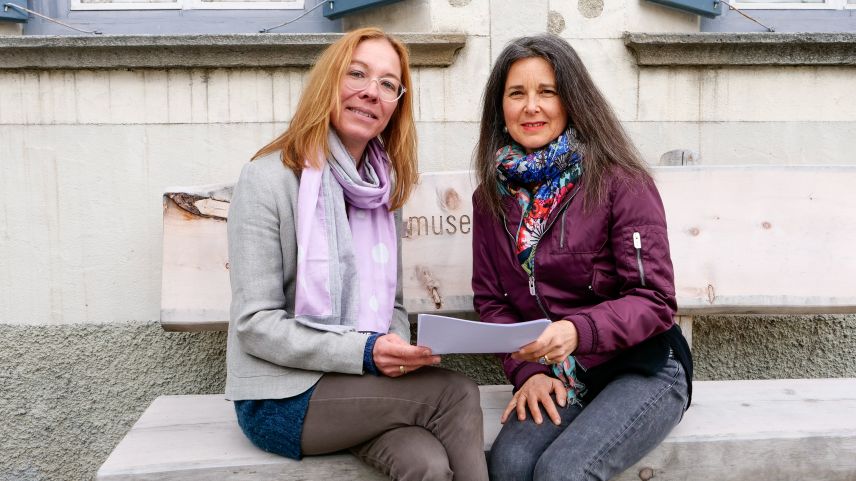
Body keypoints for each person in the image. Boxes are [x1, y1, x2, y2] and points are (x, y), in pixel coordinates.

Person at [225, 27, 489, 481]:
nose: (371, 92)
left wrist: (397, 351)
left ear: (396, 106)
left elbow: (395, 307)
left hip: (360, 389)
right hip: (282, 397)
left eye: (388, 84)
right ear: (330, 82)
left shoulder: (383, 191)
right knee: (457, 393)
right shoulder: (267, 180)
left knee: (425, 463)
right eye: (358, 74)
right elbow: (255, 324)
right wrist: (366, 352)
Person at [471, 34, 693, 481]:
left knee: (563, 472)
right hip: (558, 375)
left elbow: (653, 299)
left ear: (572, 101)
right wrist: (528, 371)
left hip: (642, 364)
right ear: (501, 109)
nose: (531, 106)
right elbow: (493, 303)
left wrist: (578, 330)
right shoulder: (489, 200)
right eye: (517, 93)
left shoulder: (620, 183)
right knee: (509, 465)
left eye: (547, 92)